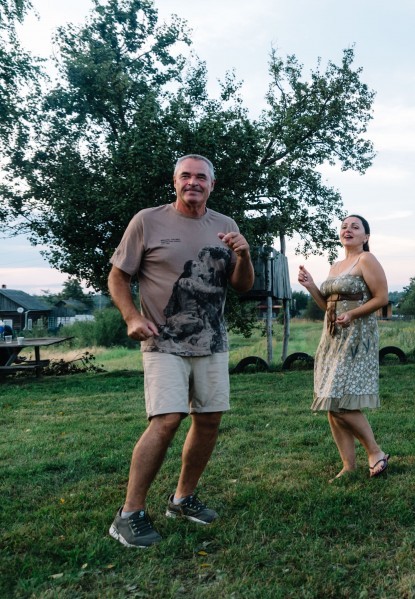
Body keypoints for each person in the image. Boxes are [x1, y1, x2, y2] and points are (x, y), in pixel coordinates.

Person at [106, 154, 254, 548]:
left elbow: (242, 285)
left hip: (212, 342)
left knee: (208, 421)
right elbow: (118, 275)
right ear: (175, 182)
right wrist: (131, 317)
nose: (193, 182)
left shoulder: (225, 225)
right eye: (185, 176)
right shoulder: (147, 221)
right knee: (167, 419)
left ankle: (182, 498)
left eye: (201, 177)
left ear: (211, 184)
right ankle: (129, 513)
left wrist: (244, 254)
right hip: (162, 340)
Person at [298, 214, 391, 481]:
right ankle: (348, 466)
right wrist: (311, 286)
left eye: (355, 227)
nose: (347, 230)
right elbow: (326, 305)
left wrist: (353, 314)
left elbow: (382, 298)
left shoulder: (367, 260)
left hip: (356, 337)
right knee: (331, 401)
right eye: (344, 226)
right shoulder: (336, 266)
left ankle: (375, 452)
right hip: (331, 338)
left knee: (340, 400)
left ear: (366, 236)